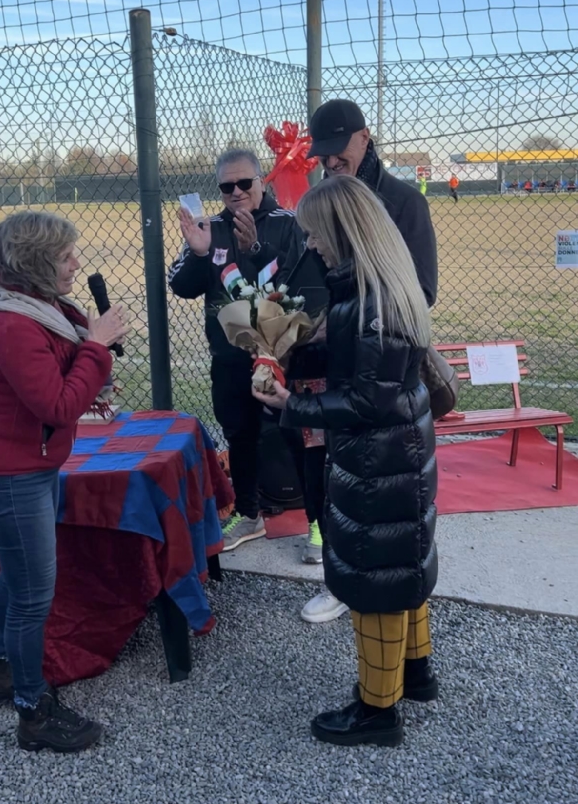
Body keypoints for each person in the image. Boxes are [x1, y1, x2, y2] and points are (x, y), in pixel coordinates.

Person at [253, 176, 438, 748]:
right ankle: (415, 671)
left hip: (378, 457)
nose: (311, 246)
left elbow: (365, 400)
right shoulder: (385, 288)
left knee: (373, 575)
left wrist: (293, 403)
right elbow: (372, 374)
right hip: (402, 452)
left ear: (341, 231)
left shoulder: (369, 305)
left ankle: (377, 710)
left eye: (314, 234)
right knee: (402, 559)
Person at [0, 211, 129, 753]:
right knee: (34, 595)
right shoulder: (10, 324)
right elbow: (59, 404)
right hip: (12, 476)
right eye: (66, 257)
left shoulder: (39, 309)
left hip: (33, 467)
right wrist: (98, 347)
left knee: (18, 579)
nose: (77, 264)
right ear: (37, 264)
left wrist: (88, 340)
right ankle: (33, 712)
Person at [281, 99, 438, 622]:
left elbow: (418, 294)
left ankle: (377, 690)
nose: (328, 162)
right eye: (320, 154)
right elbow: (320, 278)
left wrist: (349, 323)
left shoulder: (403, 203)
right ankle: (343, 570)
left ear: (365, 138)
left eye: (337, 150)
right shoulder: (323, 200)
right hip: (352, 370)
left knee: (378, 530)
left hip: (379, 384)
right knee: (355, 498)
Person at [168, 149, 303, 553]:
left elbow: (304, 282)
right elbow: (182, 286)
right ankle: (249, 515)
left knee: (298, 432)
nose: (237, 192)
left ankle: (316, 519)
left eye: (245, 183)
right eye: (227, 186)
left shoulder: (288, 224)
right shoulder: (210, 228)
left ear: (262, 181)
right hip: (229, 357)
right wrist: (197, 252)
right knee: (239, 434)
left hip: (284, 356)